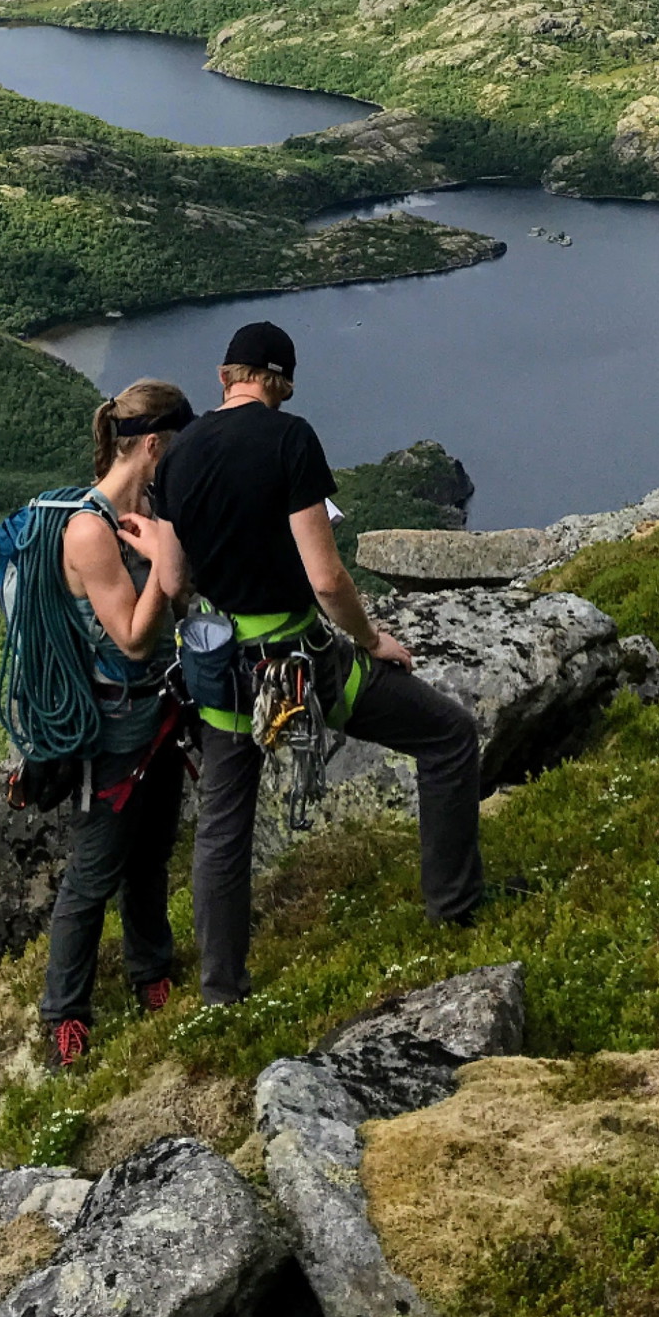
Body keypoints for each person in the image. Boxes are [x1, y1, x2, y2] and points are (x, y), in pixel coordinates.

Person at [152, 320, 482, 1005]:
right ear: (284, 382)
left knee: (222, 828)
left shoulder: (178, 457)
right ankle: (453, 910)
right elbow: (327, 579)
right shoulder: (290, 438)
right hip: (301, 661)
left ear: (225, 376)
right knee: (446, 737)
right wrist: (371, 641)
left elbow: (176, 578)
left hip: (219, 669)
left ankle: (222, 993)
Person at [39, 378, 201, 1065]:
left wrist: (172, 551)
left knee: (153, 853)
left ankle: (151, 971)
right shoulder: (88, 530)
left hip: (163, 709)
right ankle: (64, 1015)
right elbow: (132, 638)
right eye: (181, 450)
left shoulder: (151, 513)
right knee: (94, 871)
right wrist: (167, 560)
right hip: (114, 722)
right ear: (155, 446)